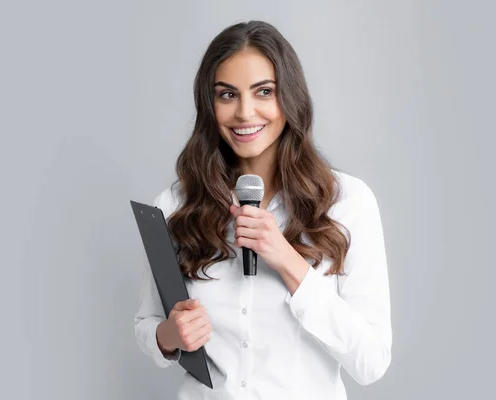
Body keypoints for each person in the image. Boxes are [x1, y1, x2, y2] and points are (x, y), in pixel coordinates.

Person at [134, 20, 392, 399]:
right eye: (227, 95)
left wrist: (288, 262)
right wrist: (170, 336)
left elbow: (371, 362)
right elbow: (148, 322)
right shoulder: (175, 206)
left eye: (263, 92)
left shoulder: (347, 203)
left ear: (290, 97)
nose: (244, 112)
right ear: (210, 104)